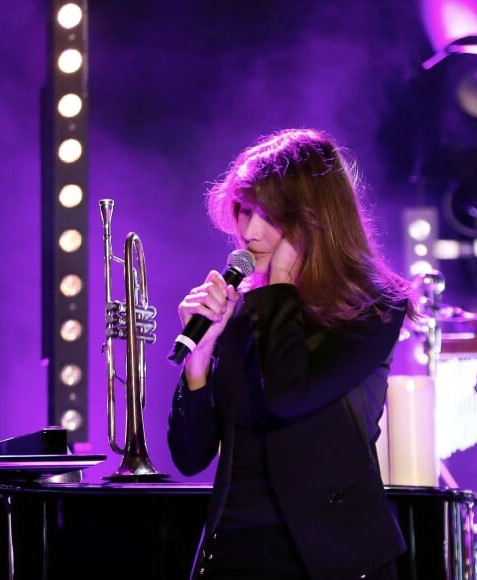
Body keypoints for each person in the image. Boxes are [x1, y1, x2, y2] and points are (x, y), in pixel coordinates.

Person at [167, 128, 417, 580]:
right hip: (234, 551)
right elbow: (190, 455)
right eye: (244, 209)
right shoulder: (244, 312)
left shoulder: (372, 310)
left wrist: (279, 287)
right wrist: (199, 358)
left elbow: (289, 396)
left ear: (315, 217)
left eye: (270, 214)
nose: (250, 230)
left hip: (332, 555)